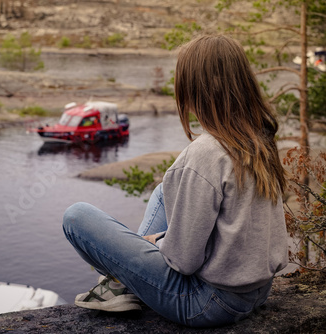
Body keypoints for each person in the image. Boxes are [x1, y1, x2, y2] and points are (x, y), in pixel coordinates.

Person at [62, 34, 289, 328]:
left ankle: (121, 283)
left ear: (193, 91)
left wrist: (154, 241)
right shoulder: (258, 138)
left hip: (206, 302)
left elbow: (183, 262)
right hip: (257, 291)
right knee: (161, 192)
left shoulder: (206, 154)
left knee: (76, 216)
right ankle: (123, 283)